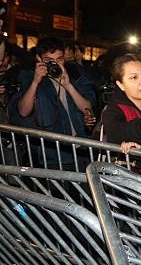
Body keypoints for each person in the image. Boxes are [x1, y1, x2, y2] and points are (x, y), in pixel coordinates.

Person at [9, 36, 95, 169]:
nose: (55, 64)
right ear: (39, 58)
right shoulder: (30, 76)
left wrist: (68, 86)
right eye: (49, 60)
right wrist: (35, 82)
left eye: (59, 59)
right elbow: (23, 111)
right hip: (52, 155)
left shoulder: (75, 75)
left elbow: (87, 109)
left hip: (81, 152)